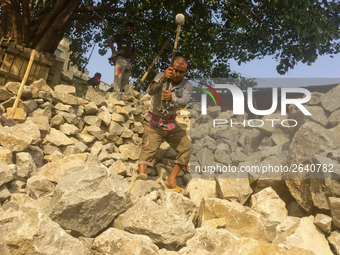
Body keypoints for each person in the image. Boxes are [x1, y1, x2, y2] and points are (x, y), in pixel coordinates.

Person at [136, 56, 193, 193]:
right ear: (170, 67)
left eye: (181, 72)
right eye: (175, 71)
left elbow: (184, 102)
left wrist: (172, 98)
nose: (177, 75)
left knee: (186, 147)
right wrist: (162, 80)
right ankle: (140, 178)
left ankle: (170, 180)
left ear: (186, 72)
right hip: (154, 123)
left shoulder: (187, 85)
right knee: (148, 150)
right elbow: (150, 91)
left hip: (170, 124)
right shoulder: (161, 75)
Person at [107, 22, 137, 92]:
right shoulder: (119, 36)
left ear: (132, 31)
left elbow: (134, 52)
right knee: (118, 79)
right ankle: (116, 94)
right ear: (125, 29)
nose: (129, 30)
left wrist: (132, 59)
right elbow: (109, 40)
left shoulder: (131, 41)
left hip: (128, 63)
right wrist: (115, 51)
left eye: (131, 29)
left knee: (125, 82)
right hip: (120, 61)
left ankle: (122, 97)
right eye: (127, 28)